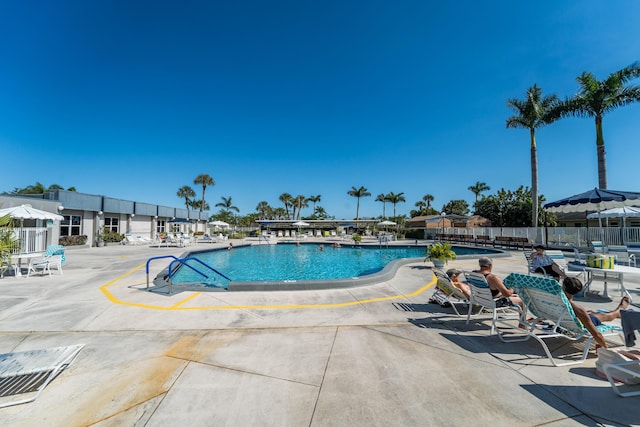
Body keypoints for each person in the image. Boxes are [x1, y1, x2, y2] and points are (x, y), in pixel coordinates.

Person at [562, 276, 630, 349]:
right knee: (603, 315)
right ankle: (619, 311)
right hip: (581, 322)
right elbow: (596, 333)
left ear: (564, 287)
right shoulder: (578, 309)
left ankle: (616, 311)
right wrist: (606, 348)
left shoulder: (558, 300)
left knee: (593, 313)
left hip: (570, 319)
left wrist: (584, 314)